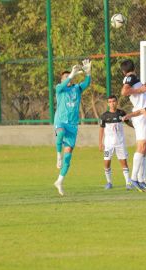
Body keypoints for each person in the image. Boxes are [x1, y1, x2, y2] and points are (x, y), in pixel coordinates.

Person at [53, 59, 91, 196]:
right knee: (60, 133)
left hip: (73, 125)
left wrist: (88, 73)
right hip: (60, 121)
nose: (68, 78)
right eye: (65, 77)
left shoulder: (76, 89)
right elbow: (60, 86)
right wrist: (70, 75)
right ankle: (58, 155)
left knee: (68, 157)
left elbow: (86, 83)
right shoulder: (59, 89)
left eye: (69, 76)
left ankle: (59, 181)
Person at [120, 59, 146, 192]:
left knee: (144, 148)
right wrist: (140, 90)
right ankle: (134, 178)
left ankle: (140, 180)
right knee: (141, 146)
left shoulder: (134, 78)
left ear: (123, 70)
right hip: (140, 115)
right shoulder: (129, 77)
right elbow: (124, 92)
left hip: (143, 113)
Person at [99, 95, 133, 190]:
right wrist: (100, 143)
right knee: (106, 163)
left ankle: (128, 183)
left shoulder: (121, 113)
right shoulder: (104, 116)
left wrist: (136, 127)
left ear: (117, 102)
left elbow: (128, 122)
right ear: (108, 103)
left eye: (114, 101)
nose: (112, 103)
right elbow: (101, 130)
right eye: (110, 102)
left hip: (120, 143)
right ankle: (109, 182)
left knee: (123, 162)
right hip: (108, 145)